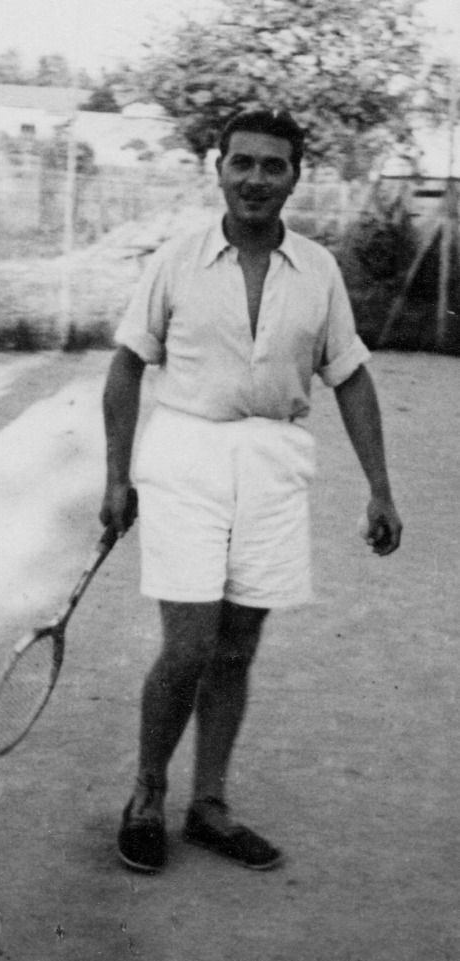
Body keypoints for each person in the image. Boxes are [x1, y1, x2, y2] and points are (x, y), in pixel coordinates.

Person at [100, 108, 402, 874]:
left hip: (274, 463)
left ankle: (209, 804)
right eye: (243, 162)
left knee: (236, 648)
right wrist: (115, 476)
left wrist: (380, 488)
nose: (256, 178)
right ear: (219, 169)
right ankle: (146, 794)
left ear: (295, 175)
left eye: (274, 165)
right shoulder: (176, 259)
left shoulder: (319, 269)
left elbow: (350, 375)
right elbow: (128, 366)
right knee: (189, 646)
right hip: (187, 457)